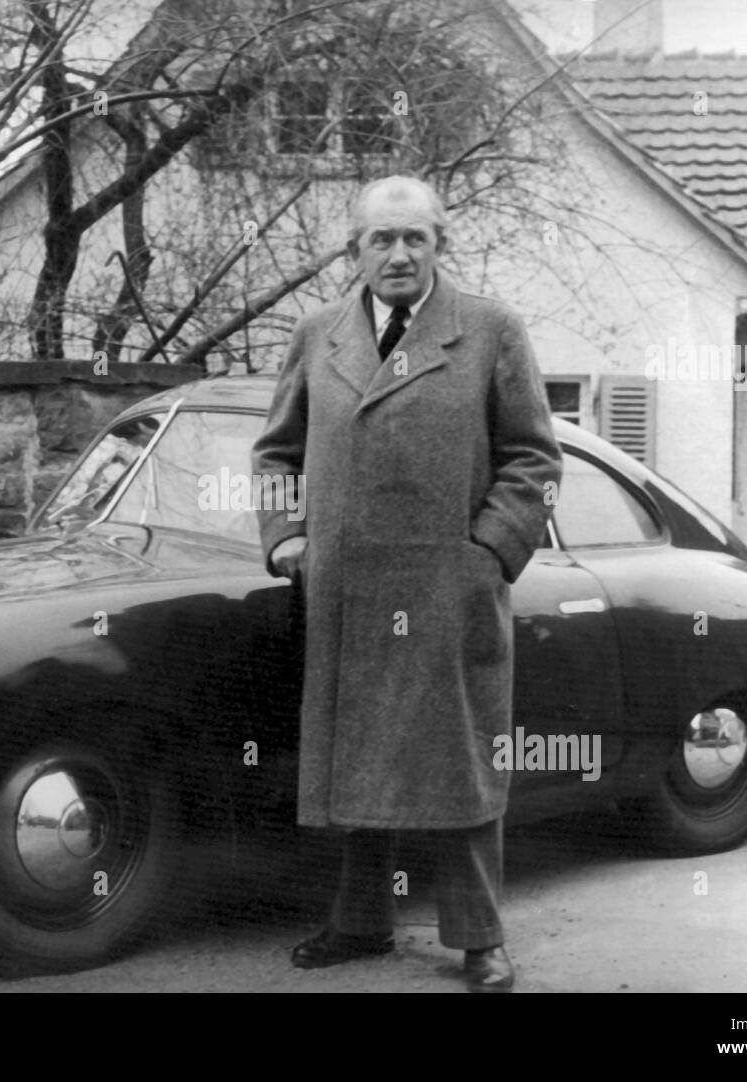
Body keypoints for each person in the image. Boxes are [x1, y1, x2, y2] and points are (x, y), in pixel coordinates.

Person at [251, 175, 562, 991]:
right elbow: (276, 453)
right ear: (354, 250)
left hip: (446, 589)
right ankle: (360, 922)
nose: (397, 255)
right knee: (360, 756)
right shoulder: (319, 332)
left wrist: (488, 553)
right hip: (348, 592)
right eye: (379, 240)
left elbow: (535, 459)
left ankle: (479, 938)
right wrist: (286, 537)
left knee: (458, 765)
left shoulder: (491, 331)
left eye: (413, 238)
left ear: (439, 245)